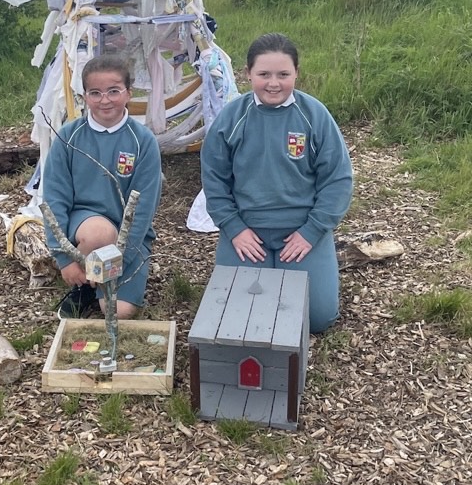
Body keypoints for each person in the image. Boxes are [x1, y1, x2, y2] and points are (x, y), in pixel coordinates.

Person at [200, 33, 353, 333]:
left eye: (283, 74)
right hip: (247, 232)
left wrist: (311, 232)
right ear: (247, 74)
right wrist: (234, 228)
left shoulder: (314, 115)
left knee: (317, 319)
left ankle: (311, 267)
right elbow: (214, 180)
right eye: (264, 74)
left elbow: (338, 179)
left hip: (301, 232)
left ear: (296, 73)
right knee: (239, 317)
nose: (273, 83)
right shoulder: (232, 117)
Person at [43, 55, 162, 319]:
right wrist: (64, 258)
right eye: (95, 93)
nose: (105, 100)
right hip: (86, 226)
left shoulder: (143, 141)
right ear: (84, 96)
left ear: (129, 93)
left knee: (118, 312)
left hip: (128, 236)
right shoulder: (69, 137)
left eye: (113, 91)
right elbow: (54, 198)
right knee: (100, 233)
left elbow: (142, 209)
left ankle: (99, 280)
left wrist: (121, 259)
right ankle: (84, 285)